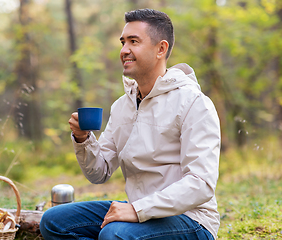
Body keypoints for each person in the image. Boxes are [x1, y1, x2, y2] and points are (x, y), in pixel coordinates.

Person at [40, 8, 220, 240]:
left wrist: (137, 210)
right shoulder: (122, 106)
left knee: (115, 235)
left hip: (191, 219)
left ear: (161, 49)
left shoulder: (193, 103)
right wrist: (83, 140)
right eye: (123, 42)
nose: (124, 50)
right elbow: (99, 172)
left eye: (133, 41)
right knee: (54, 221)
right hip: (138, 211)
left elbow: (201, 184)